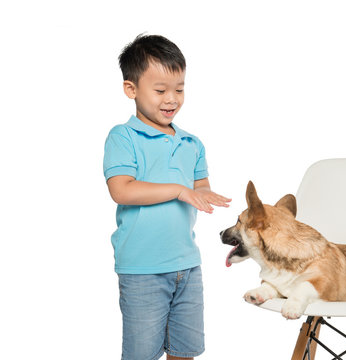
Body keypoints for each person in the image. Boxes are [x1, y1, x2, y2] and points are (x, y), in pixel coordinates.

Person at [103, 34, 231, 360]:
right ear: (131, 89)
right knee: (142, 354)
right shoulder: (123, 136)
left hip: (188, 266)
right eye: (160, 91)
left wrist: (203, 194)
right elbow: (122, 189)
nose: (171, 98)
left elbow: (199, 186)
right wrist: (178, 190)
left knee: (184, 351)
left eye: (180, 89)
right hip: (143, 269)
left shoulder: (192, 144)